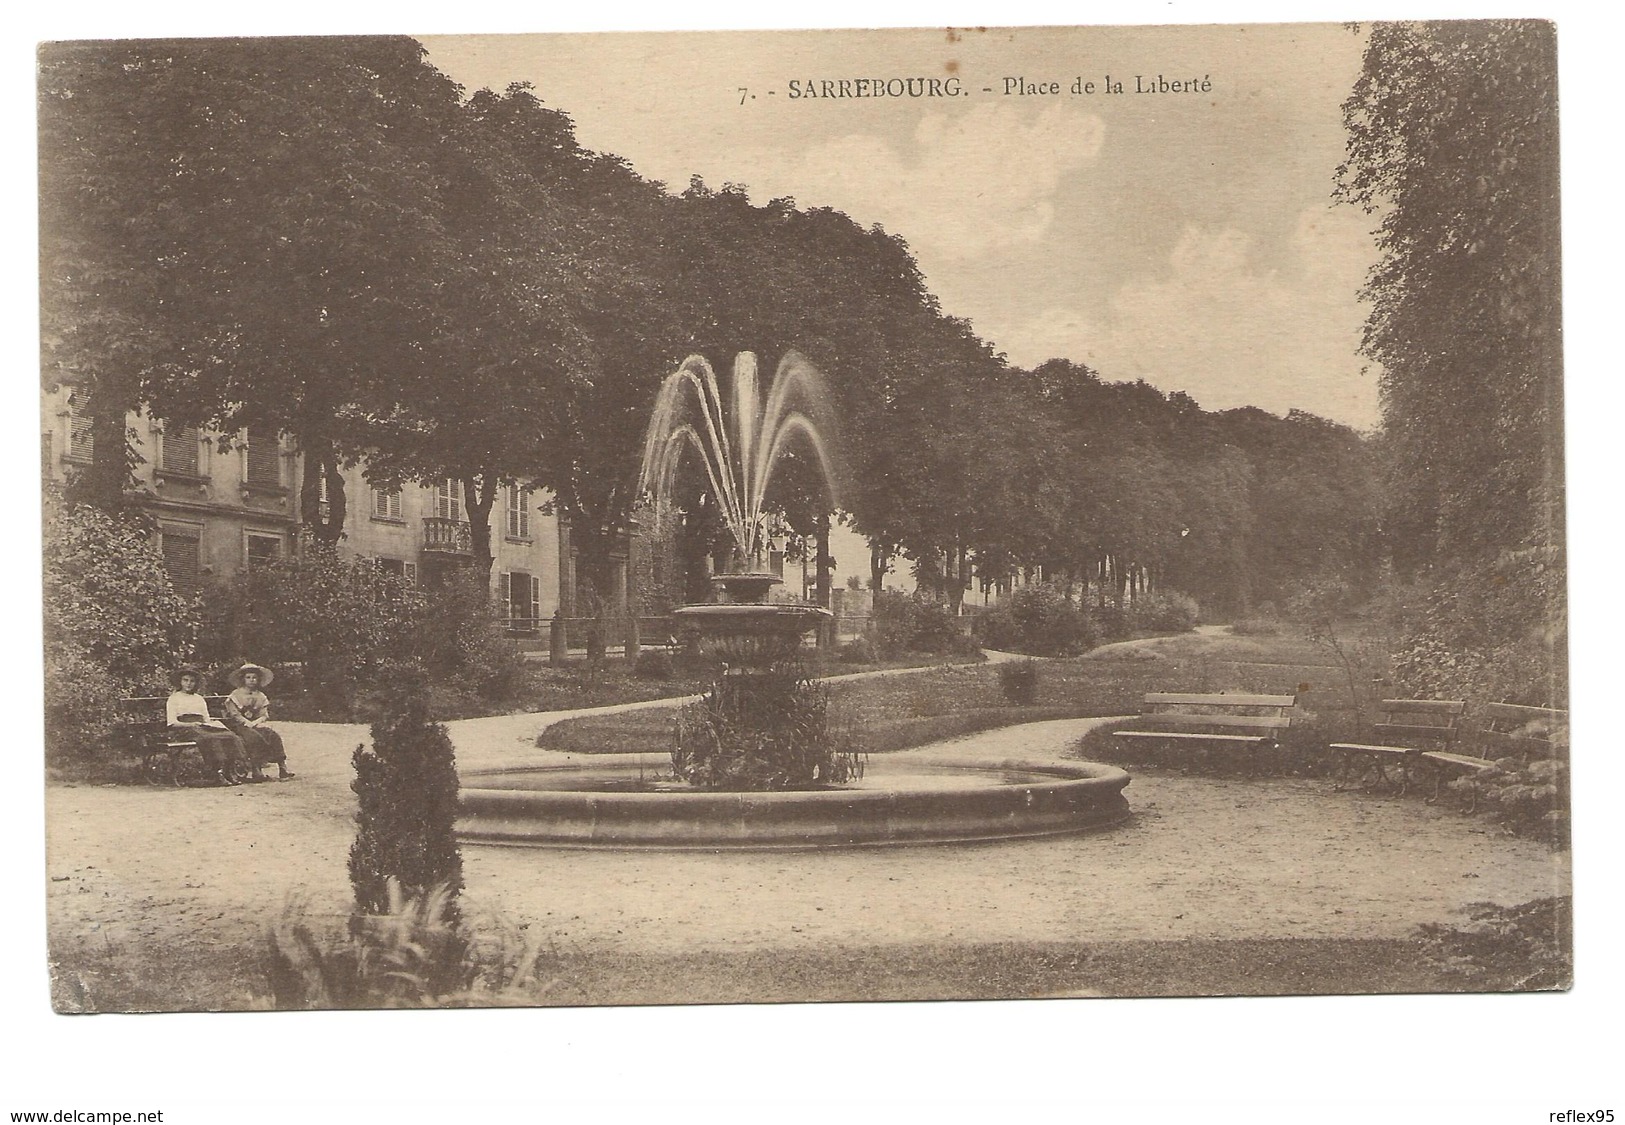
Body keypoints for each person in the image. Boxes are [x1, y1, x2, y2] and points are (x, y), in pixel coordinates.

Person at [166, 666, 246, 786]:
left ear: (196, 683)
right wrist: (190, 724)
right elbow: (172, 722)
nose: (188, 683)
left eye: (192, 681)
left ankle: (228, 771)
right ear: (180, 682)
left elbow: (206, 718)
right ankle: (215, 773)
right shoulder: (174, 698)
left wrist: (211, 725)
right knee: (209, 738)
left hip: (201, 726)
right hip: (184, 728)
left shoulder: (199, 699)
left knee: (230, 736)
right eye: (185, 680)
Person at [223, 662, 294, 781]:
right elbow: (234, 714)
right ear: (243, 679)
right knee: (254, 737)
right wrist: (246, 722)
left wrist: (255, 722)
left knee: (272, 735)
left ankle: (282, 768)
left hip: (253, 724)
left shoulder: (260, 696)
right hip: (238, 725)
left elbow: (264, 714)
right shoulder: (235, 694)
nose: (251, 680)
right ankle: (257, 769)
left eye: (254, 677)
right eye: (248, 677)